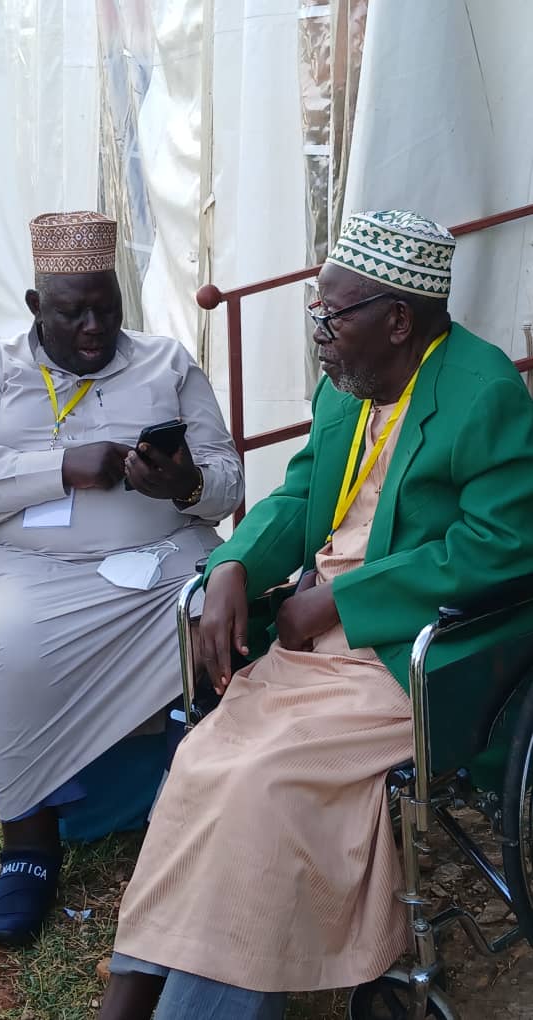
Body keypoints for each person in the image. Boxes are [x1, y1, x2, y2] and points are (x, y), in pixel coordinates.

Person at [99, 207, 533, 1020]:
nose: (318, 332)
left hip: (415, 650)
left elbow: (501, 549)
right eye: (315, 311)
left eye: (331, 314)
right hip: (317, 629)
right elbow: (300, 493)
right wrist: (231, 563)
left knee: (262, 782)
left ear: (398, 320)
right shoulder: (352, 383)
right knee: (204, 762)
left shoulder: (484, 394)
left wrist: (343, 599)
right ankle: (138, 982)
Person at [0, 211, 244, 947]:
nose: (93, 327)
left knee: (224, 611)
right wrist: (57, 467)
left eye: (106, 308)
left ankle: (199, 789)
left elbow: (227, 480)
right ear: (33, 308)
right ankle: (29, 841)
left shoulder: (167, 362)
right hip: (26, 566)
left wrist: (182, 485)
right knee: (19, 646)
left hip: (162, 561)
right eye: (71, 312)